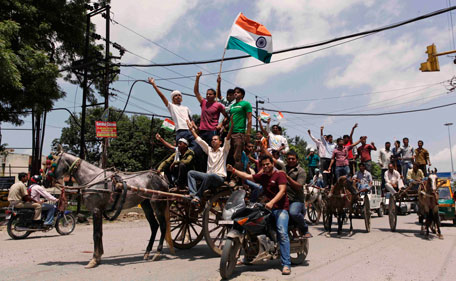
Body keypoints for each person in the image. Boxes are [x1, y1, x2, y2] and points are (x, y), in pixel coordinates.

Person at [227, 155, 291, 275]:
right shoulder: (262, 176)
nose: (265, 166)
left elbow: (282, 191)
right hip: (266, 208)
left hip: (281, 209)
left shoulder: (280, 174)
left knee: (282, 232)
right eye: (263, 165)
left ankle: (286, 264)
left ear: (272, 163)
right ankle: (248, 256)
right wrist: (234, 171)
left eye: (268, 164)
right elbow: (247, 176)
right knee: (251, 227)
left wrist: (272, 202)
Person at [186, 119, 232, 204]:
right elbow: (199, 140)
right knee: (191, 173)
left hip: (219, 178)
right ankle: (192, 194)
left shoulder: (224, 151)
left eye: (215, 139)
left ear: (220, 142)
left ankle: (198, 196)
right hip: (208, 177)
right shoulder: (209, 150)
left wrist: (231, 126)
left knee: (210, 175)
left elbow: (227, 139)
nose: (213, 140)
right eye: (212, 140)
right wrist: (191, 130)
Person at [148, 77, 199, 153]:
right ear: (172, 99)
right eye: (176, 95)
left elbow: (191, 120)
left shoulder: (186, 108)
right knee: (181, 152)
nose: (178, 96)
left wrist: (196, 129)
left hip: (191, 131)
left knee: (196, 150)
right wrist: (154, 85)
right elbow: (162, 96)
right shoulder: (171, 106)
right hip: (181, 131)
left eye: (179, 95)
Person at [283, 151, 312, 238]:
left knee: (294, 213)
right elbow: (271, 159)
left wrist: (287, 178)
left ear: (297, 160)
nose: (291, 160)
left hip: (296, 200)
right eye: (289, 158)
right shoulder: (282, 168)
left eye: (293, 158)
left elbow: (299, 186)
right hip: (282, 199)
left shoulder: (301, 171)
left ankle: (304, 229)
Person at [193, 72, 228, 145]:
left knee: (211, 150)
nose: (208, 95)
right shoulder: (203, 102)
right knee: (200, 151)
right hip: (202, 131)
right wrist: (197, 78)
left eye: (210, 94)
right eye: (207, 94)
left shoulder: (219, 105)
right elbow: (196, 92)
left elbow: (227, 117)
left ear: (215, 96)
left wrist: (221, 125)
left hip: (212, 131)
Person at [229, 87, 252, 173]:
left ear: (242, 94)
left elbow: (249, 120)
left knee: (237, 157)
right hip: (230, 133)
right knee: (229, 156)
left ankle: (236, 179)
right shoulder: (232, 106)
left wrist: (248, 134)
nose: (235, 93)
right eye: (234, 92)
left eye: (238, 92)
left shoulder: (246, 104)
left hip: (239, 133)